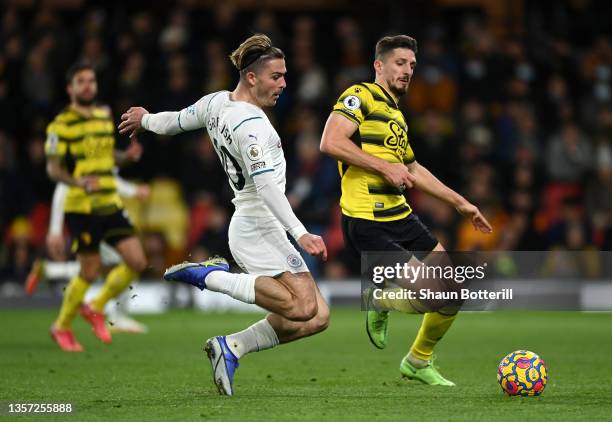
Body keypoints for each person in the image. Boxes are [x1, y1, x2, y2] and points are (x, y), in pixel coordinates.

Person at [118, 34, 330, 396]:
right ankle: (212, 277)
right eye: (276, 76)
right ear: (251, 77)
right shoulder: (251, 126)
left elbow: (177, 121)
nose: (283, 84)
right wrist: (301, 232)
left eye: (284, 76)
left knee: (318, 317)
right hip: (257, 223)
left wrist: (147, 119)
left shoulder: (216, 103)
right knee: (302, 306)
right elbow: (266, 188)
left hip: (260, 223)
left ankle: (230, 348)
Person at [320, 35, 492, 386]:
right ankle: (380, 300)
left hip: (401, 217)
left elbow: (412, 169)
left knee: (454, 292)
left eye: (412, 65)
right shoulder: (361, 95)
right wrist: (383, 168)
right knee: (432, 295)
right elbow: (330, 142)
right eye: (400, 63)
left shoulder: (396, 114)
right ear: (379, 65)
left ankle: (418, 360)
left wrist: (461, 202)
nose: (408, 70)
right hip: (368, 220)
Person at [44, 63, 147, 351]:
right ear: (71, 88)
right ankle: (61, 326)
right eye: (81, 81)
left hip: (109, 202)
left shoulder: (103, 117)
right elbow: (53, 170)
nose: (88, 85)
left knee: (137, 261)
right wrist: (78, 184)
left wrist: (126, 157)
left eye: (91, 80)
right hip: (82, 206)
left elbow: (107, 156)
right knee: (89, 272)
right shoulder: (60, 124)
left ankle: (96, 305)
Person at [25, 175, 150, 334]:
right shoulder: (81, 157)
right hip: (93, 218)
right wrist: (55, 229)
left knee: (100, 268)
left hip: (101, 215)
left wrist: (133, 191)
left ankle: (49, 270)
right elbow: (63, 185)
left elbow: (108, 177)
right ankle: (116, 316)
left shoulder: (101, 159)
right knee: (124, 264)